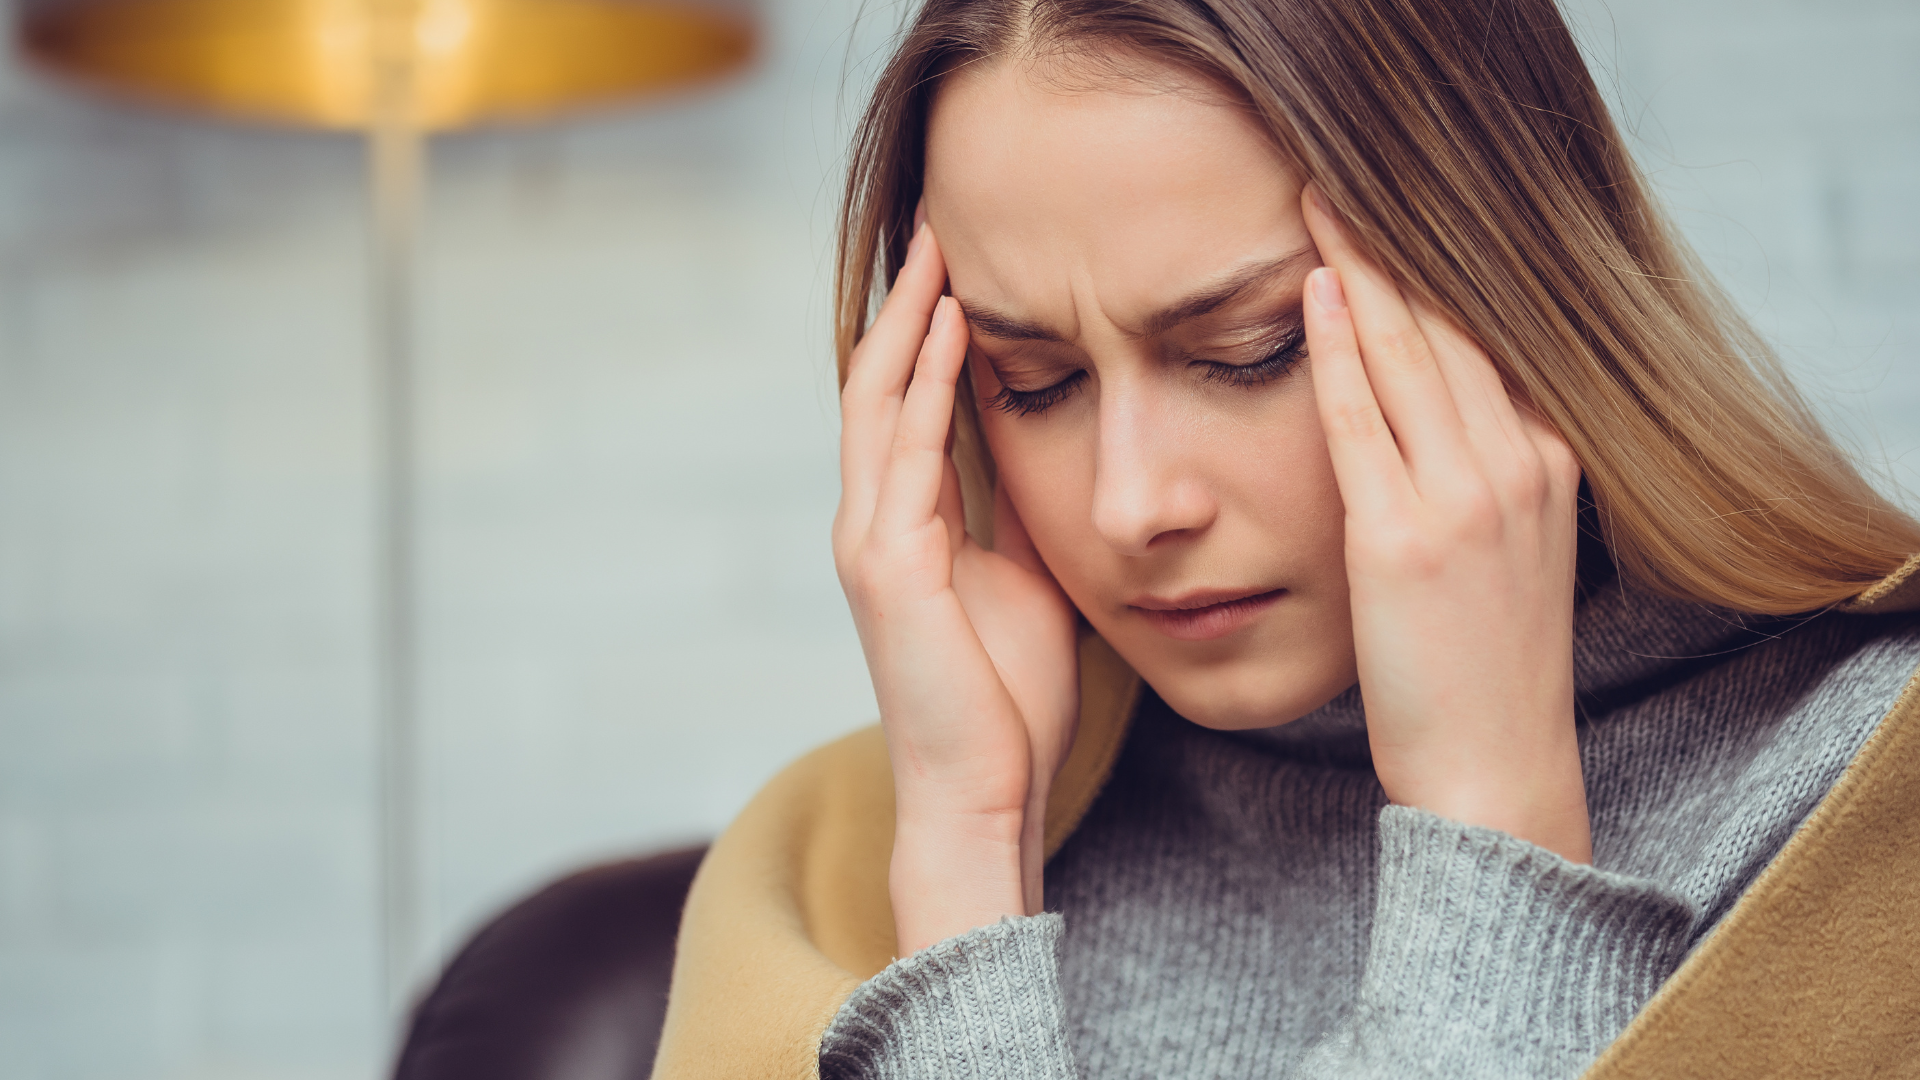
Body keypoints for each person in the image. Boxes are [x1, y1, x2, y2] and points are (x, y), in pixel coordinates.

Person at [651, 0, 1920, 1076]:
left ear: (1511, 292)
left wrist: (1492, 830)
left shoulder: (1863, 799)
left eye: (1250, 351)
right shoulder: (836, 855)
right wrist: (966, 858)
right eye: (1033, 379)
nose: (1131, 505)